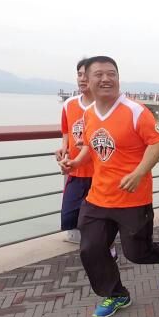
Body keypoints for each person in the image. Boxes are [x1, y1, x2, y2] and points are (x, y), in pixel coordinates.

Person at [59, 56, 159, 317]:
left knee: (137, 253)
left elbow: (157, 143)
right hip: (98, 197)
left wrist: (139, 173)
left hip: (133, 198)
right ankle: (116, 294)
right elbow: (91, 146)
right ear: (87, 80)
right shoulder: (89, 113)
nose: (106, 79)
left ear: (118, 77)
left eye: (111, 73)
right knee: (90, 249)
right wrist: (75, 162)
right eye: (99, 74)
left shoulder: (135, 111)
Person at [57, 58, 94, 244]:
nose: (82, 79)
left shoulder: (103, 106)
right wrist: (63, 149)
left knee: (95, 216)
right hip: (75, 170)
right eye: (79, 74)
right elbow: (66, 133)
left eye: (86, 75)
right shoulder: (69, 105)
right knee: (69, 214)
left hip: (98, 172)